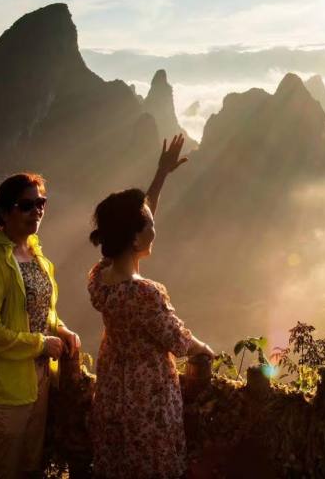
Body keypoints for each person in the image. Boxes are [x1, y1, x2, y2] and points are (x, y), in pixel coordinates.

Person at [88, 133, 214, 479]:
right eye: (151, 226)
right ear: (134, 237)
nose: (155, 230)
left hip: (112, 395)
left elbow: (138, 218)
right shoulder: (145, 294)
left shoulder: (100, 278)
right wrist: (204, 348)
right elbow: (179, 340)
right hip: (148, 404)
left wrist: (160, 175)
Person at [0, 172, 81, 478]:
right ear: (3, 212)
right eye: (26, 205)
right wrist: (41, 344)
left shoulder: (38, 258)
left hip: (39, 382)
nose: (36, 211)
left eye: (41, 203)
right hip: (4, 387)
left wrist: (60, 329)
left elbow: (39, 313)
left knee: (29, 470)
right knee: (1, 472)